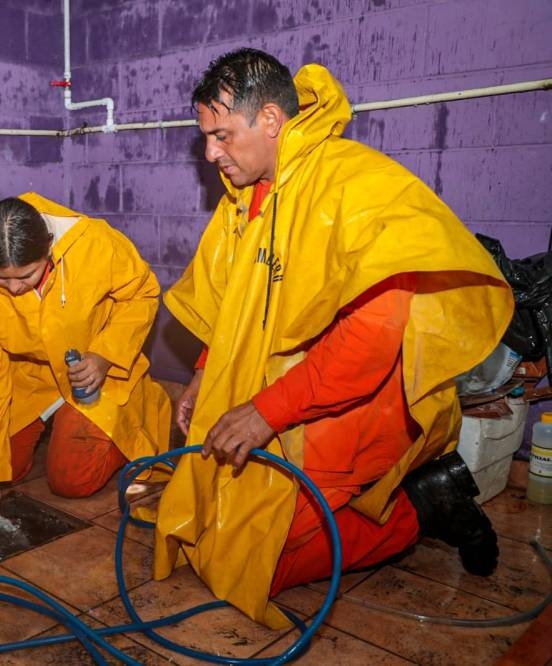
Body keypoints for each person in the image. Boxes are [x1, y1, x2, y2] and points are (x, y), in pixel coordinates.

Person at [154, 48, 515, 628]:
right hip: (292, 400)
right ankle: (384, 506)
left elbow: (366, 350)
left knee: (250, 561)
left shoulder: (355, 187)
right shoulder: (247, 199)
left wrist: (265, 413)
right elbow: (234, 305)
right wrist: (203, 371)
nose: (210, 153)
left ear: (270, 120)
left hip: (365, 405)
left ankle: (421, 508)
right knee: (207, 519)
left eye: (221, 135)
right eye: (206, 138)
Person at [0, 193, 172, 545]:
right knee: (0, 466)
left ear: (49, 249)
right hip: (33, 377)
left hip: (90, 373)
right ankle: (55, 421)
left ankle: (132, 423)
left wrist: (104, 356)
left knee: (72, 481)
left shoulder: (95, 242)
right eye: (1, 279)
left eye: (25, 275)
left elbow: (144, 292)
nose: (13, 289)